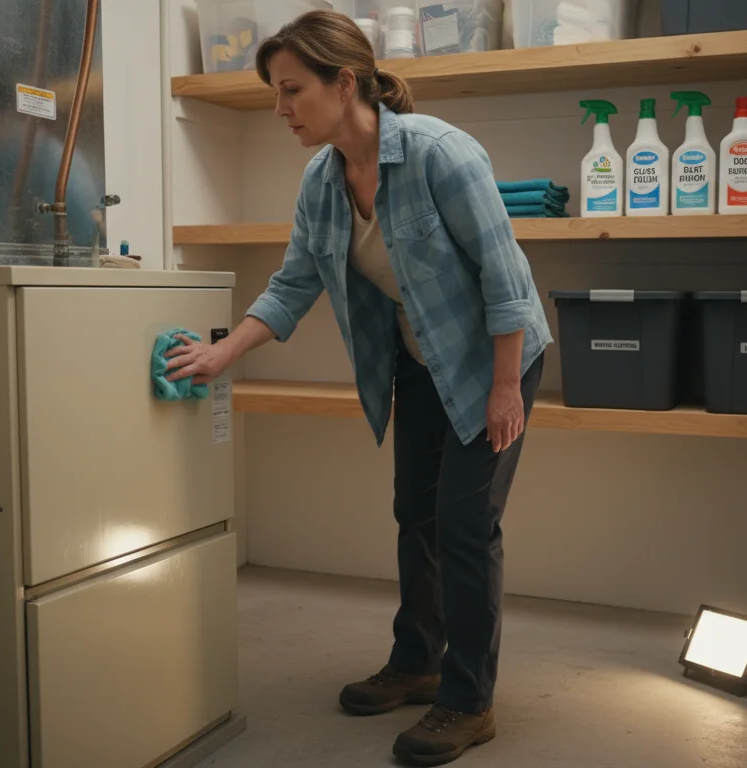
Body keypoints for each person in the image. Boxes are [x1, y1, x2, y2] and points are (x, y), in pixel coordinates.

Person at [163, 9, 552, 765]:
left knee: (466, 522)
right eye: (275, 95)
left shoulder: (442, 154)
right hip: (419, 360)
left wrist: (507, 390)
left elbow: (508, 282)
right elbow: (292, 284)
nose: (281, 111)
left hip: (493, 359)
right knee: (416, 512)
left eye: (290, 91)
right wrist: (222, 356)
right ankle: (418, 661)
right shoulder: (322, 180)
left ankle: (469, 701)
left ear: (346, 83)